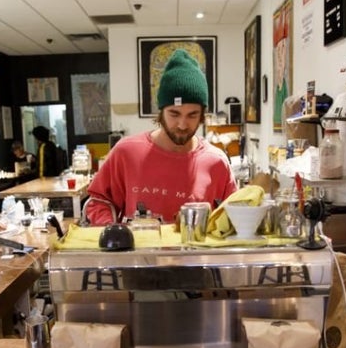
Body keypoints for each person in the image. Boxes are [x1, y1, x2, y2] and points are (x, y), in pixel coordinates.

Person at [86, 49, 238, 225]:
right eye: (174, 114)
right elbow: (99, 201)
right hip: (139, 251)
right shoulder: (125, 152)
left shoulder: (217, 162)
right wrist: (110, 231)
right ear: (161, 111)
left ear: (203, 114)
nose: (182, 125)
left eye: (192, 115)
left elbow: (234, 216)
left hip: (195, 252)